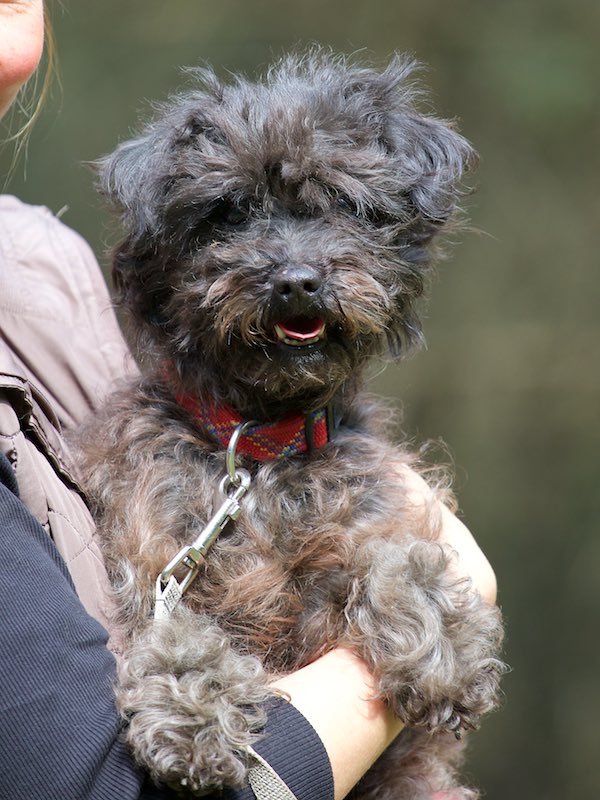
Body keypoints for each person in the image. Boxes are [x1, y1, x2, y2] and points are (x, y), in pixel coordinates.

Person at [0, 3, 497, 799]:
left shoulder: (43, 271)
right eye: (232, 218)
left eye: (336, 209)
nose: (296, 268)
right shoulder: (134, 470)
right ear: (160, 252)